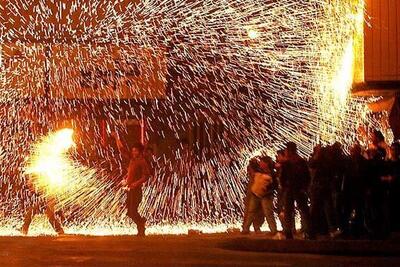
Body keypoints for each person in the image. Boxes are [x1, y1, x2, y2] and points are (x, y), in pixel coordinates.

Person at [115, 137, 151, 237]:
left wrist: (136, 183)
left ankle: (141, 227)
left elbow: (146, 176)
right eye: (133, 151)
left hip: (136, 191)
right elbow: (121, 149)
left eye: (136, 151)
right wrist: (117, 138)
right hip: (130, 190)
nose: (134, 152)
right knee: (130, 212)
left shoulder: (142, 161)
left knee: (132, 211)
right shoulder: (132, 160)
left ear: (140, 151)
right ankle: (141, 223)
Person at [280, 142, 312, 239]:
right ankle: (309, 232)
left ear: (289, 150)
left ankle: (289, 232)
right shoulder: (300, 161)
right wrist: (304, 187)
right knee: (303, 210)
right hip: (297, 189)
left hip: (293, 189)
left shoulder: (289, 163)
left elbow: (283, 177)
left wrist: (284, 186)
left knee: (291, 211)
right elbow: (307, 176)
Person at [242, 156, 278, 238]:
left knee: (268, 212)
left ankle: (273, 230)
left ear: (266, 163)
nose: (260, 163)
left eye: (262, 162)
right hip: (255, 194)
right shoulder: (259, 170)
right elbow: (252, 169)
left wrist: (268, 189)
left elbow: (275, 185)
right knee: (251, 211)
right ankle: (246, 228)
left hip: (266, 195)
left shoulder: (272, 173)